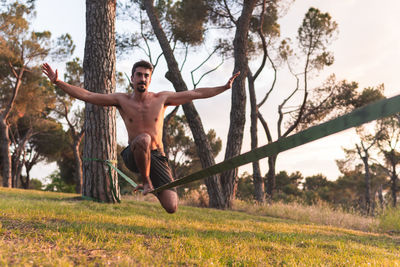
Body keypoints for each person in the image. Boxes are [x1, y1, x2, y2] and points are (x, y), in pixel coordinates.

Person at [42, 60, 239, 213]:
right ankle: (145, 181)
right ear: (132, 78)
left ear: (150, 79)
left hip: (157, 157)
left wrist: (223, 88)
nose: (142, 79)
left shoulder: (162, 99)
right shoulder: (121, 100)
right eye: (138, 75)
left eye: (146, 75)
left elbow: (195, 93)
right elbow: (89, 96)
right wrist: (58, 82)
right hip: (134, 153)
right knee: (143, 138)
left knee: (171, 207)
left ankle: (149, 182)